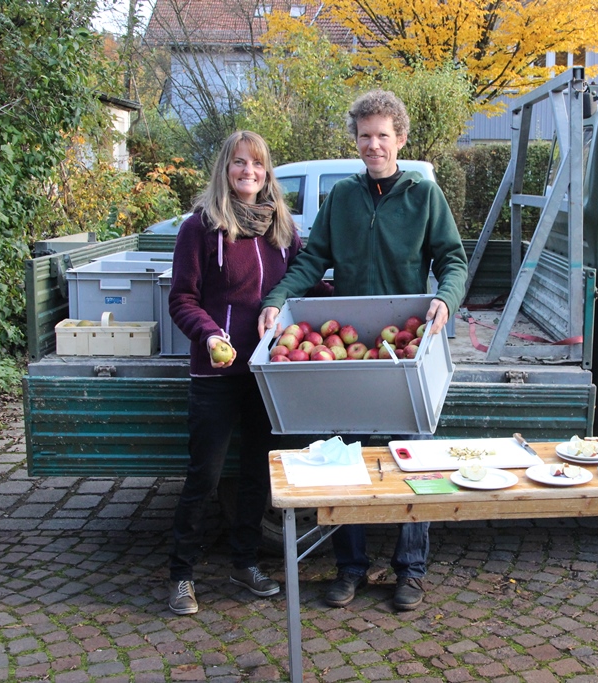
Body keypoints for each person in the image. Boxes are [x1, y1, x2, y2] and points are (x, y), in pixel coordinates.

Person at [257, 90, 468, 611]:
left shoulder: (423, 196)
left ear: (400, 138)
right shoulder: (342, 199)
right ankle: (349, 568)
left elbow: (453, 260)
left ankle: (410, 572)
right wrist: (277, 299)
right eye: (364, 136)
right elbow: (312, 262)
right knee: (343, 459)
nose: (373, 145)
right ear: (355, 140)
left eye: (382, 135)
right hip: (350, 349)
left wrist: (445, 301)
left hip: (407, 345)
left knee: (414, 461)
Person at [167, 130, 330, 616]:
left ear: (267, 172)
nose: (248, 173)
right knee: (205, 475)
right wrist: (209, 333)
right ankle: (181, 574)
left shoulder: (281, 226)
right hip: (216, 374)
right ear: (225, 168)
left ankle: (244, 563)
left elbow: (303, 281)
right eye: (239, 164)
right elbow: (182, 298)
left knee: (258, 471)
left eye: (257, 165)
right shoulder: (200, 227)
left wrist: (346, 301)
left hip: (267, 369)